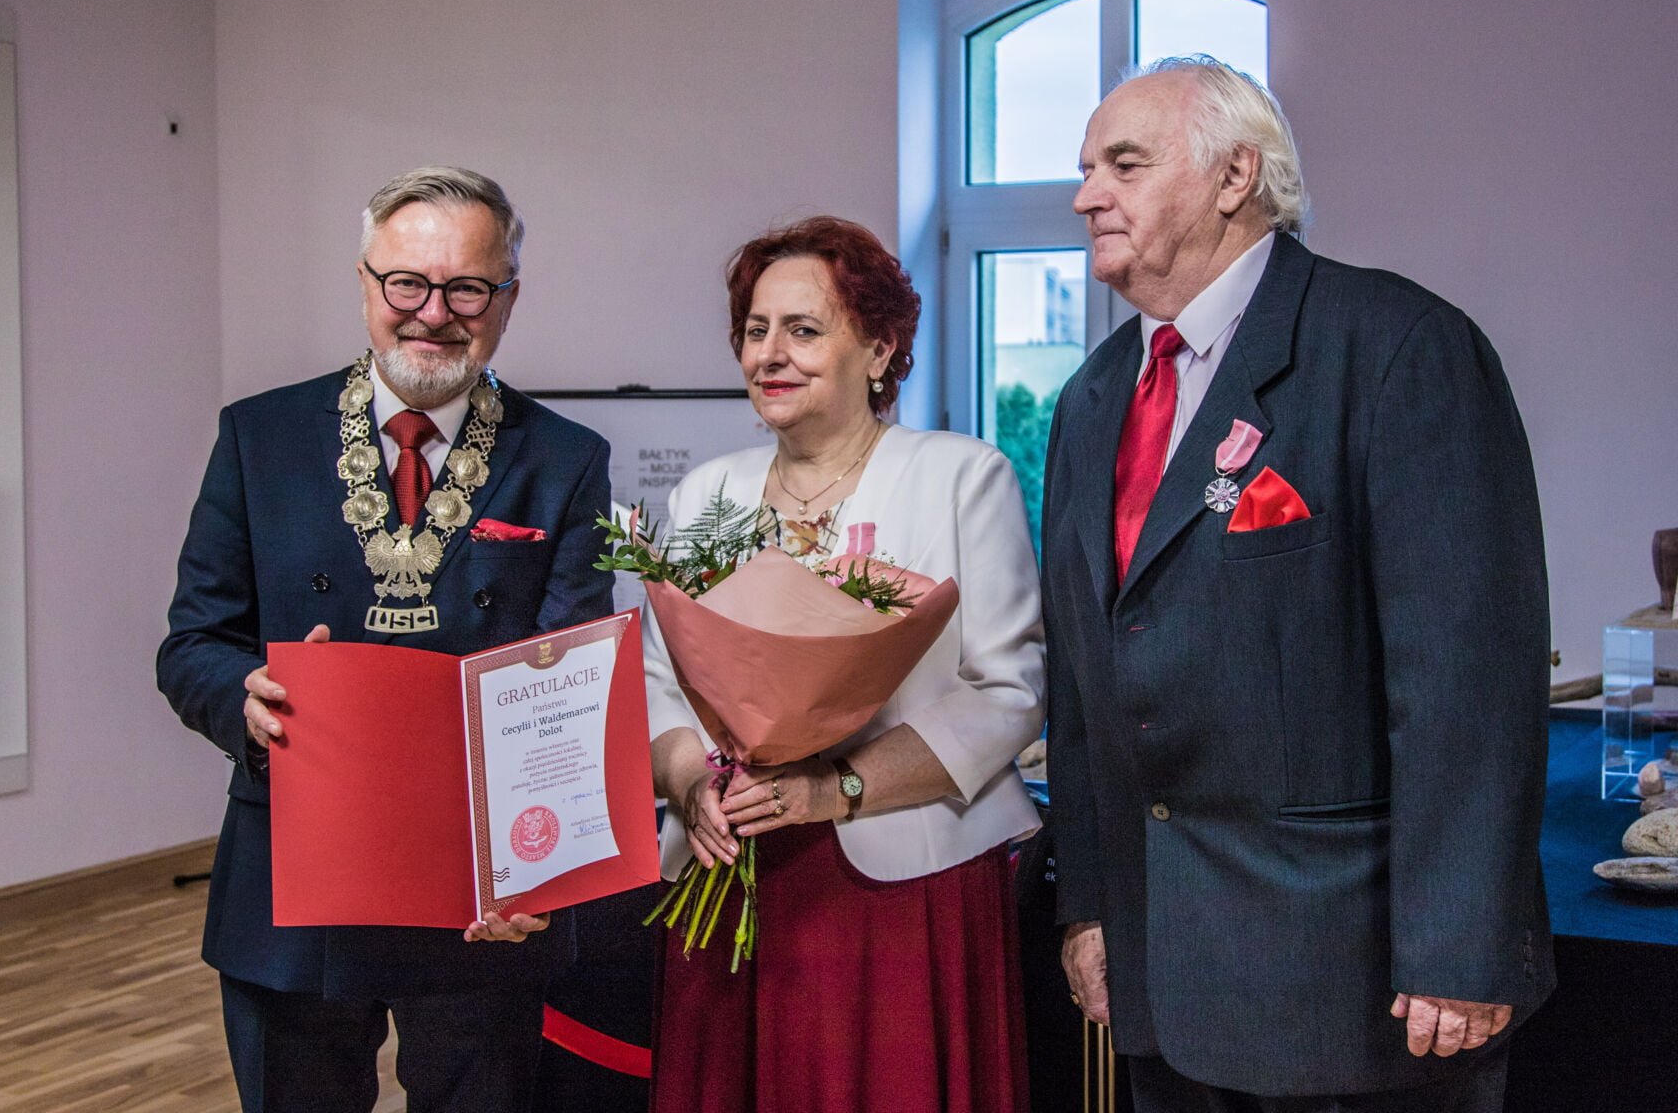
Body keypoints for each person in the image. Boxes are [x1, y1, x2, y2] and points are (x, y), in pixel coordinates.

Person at [1043, 56, 1554, 1111]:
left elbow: (1466, 682)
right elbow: (1085, 684)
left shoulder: (1397, 347)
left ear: (1235, 176)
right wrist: (1089, 904)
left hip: (1357, 986)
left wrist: (1462, 947)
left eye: (1124, 165)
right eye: (1086, 168)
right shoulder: (1090, 400)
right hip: (1160, 980)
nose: (1087, 195)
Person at [157, 166, 613, 1112]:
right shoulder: (258, 436)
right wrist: (243, 700)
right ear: (365, 282)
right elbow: (193, 642)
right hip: (293, 878)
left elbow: (571, 681)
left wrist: (540, 872)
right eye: (407, 282)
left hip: (483, 888)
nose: (432, 313)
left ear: (508, 298)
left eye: (467, 288)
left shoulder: (566, 458)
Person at [644, 216, 1044, 1113]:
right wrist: (690, 784)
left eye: (803, 329)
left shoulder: (961, 477)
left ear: (880, 348)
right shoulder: (706, 492)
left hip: (905, 880)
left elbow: (1007, 691)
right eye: (755, 330)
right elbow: (659, 680)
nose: (769, 354)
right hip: (733, 863)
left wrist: (836, 789)